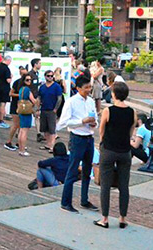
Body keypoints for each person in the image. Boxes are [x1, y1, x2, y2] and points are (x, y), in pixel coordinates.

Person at [56, 68, 99, 213]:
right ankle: (65, 201)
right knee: (73, 170)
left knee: (87, 169)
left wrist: (94, 123)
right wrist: (82, 121)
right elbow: (64, 122)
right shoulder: (71, 102)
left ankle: (84, 199)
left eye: (90, 87)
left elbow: (96, 119)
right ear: (78, 88)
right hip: (77, 138)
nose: (88, 90)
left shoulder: (91, 101)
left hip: (89, 137)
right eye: (86, 88)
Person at [94, 81, 136, 229]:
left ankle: (104, 218)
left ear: (114, 94)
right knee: (124, 185)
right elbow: (131, 131)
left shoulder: (108, 111)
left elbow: (102, 130)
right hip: (125, 151)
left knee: (105, 185)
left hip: (109, 150)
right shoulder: (132, 111)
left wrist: (102, 143)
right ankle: (122, 218)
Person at [38, 70, 64, 152]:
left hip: (52, 110)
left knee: (52, 129)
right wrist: (37, 108)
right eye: (48, 76)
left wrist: (56, 109)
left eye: (52, 76)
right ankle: (48, 144)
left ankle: (52, 146)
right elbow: (39, 98)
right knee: (45, 129)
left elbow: (59, 99)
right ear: (45, 76)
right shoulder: (42, 87)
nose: (50, 77)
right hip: (43, 109)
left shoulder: (56, 86)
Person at [4, 66, 28, 151]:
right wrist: (21, 95)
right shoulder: (17, 82)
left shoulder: (28, 84)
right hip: (15, 105)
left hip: (23, 106)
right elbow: (11, 93)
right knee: (15, 125)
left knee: (21, 125)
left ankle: (19, 143)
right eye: (24, 74)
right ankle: (8, 142)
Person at [17, 74, 37, 157]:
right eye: (27, 80)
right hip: (27, 111)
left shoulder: (21, 89)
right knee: (25, 131)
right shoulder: (28, 90)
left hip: (21, 110)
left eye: (30, 80)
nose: (29, 81)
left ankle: (20, 149)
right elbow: (33, 101)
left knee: (21, 130)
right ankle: (22, 149)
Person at [0, 56, 13, 129]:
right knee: (2, 104)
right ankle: (1, 120)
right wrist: (11, 77)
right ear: (8, 60)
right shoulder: (6, 68)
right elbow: (8, 80)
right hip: (4, 88)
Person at [28, 58, 43, 143]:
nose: (40, 65)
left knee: (37, 115)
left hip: (36, 98)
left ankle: (39, 134)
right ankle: (19, 132)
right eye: (39, 63)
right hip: (30, 99)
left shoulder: (36, 74)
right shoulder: (30, 75)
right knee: (26, 115)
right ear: (35, 64)